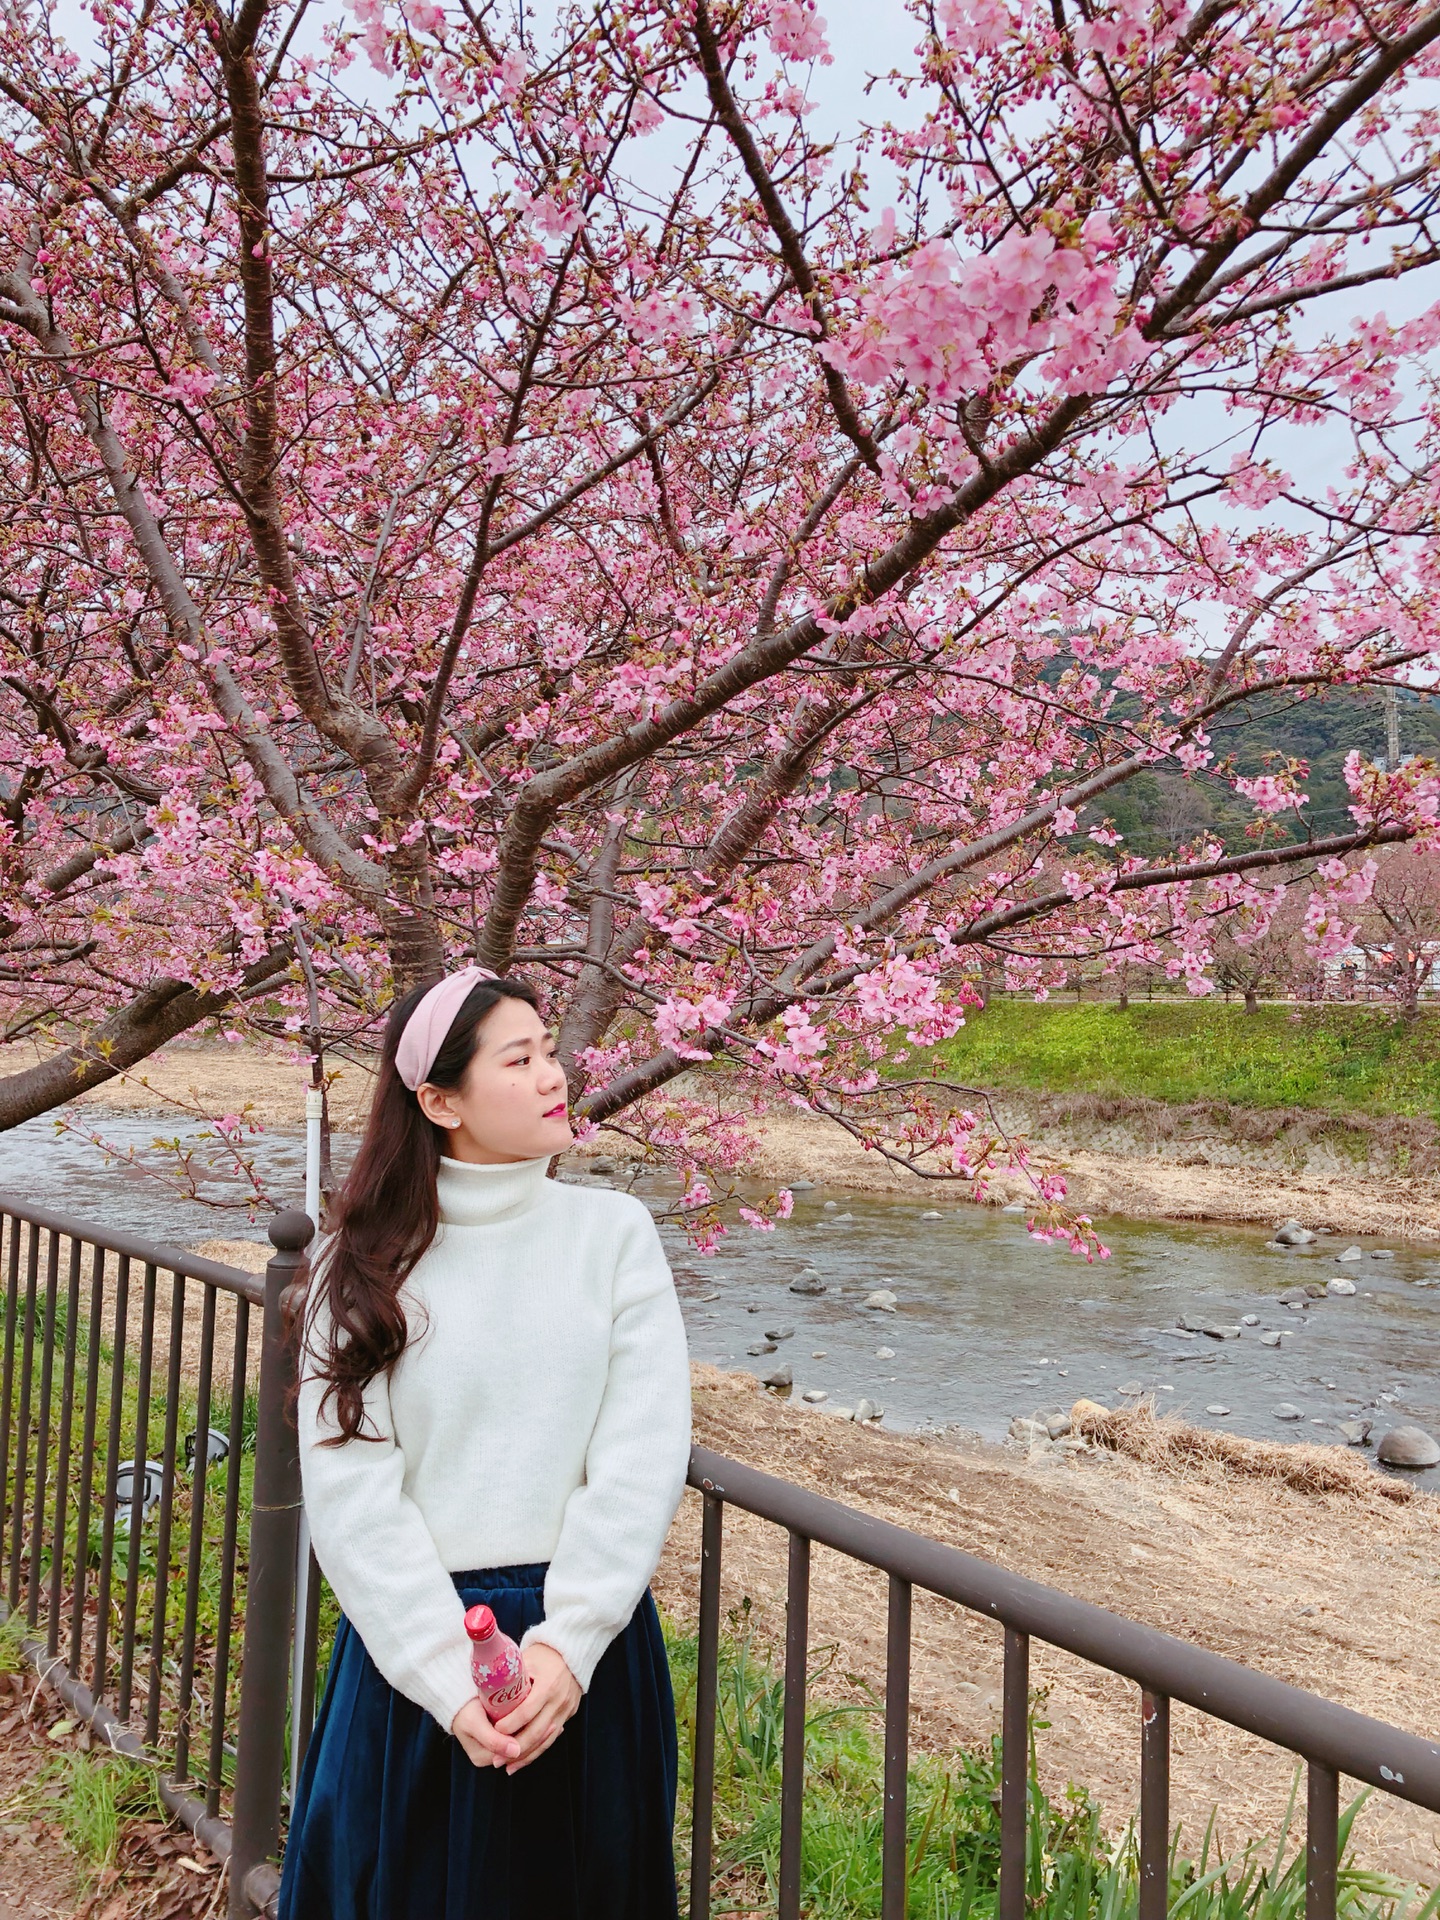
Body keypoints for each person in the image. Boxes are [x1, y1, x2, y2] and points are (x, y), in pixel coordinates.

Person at [278, 967, 692, 1920]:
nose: (556, 1075)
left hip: (581, 1657)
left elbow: (639, 1454)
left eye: (551, 1050)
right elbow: (351, 1490)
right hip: (415, 1659)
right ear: (439, 1099)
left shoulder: (611, 1234)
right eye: (521, 1058)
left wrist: (569, 1644)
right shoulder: (361, 1261)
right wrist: (442, 1676)